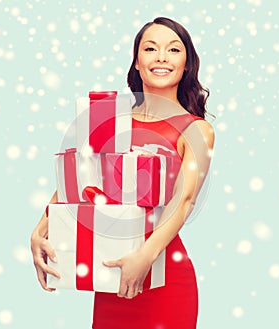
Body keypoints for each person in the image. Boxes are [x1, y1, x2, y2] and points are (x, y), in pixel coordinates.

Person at [31, 16, 215, 329]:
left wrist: (145, 258)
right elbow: (77, 181)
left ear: (186, 66)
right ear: (137, 63)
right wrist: (40, 229)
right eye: (150, 48)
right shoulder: (108, 121)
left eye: (173, 49)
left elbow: (183, 202)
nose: (160, 57)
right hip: (112, 273)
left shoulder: (197, 130)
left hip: (166, 278)